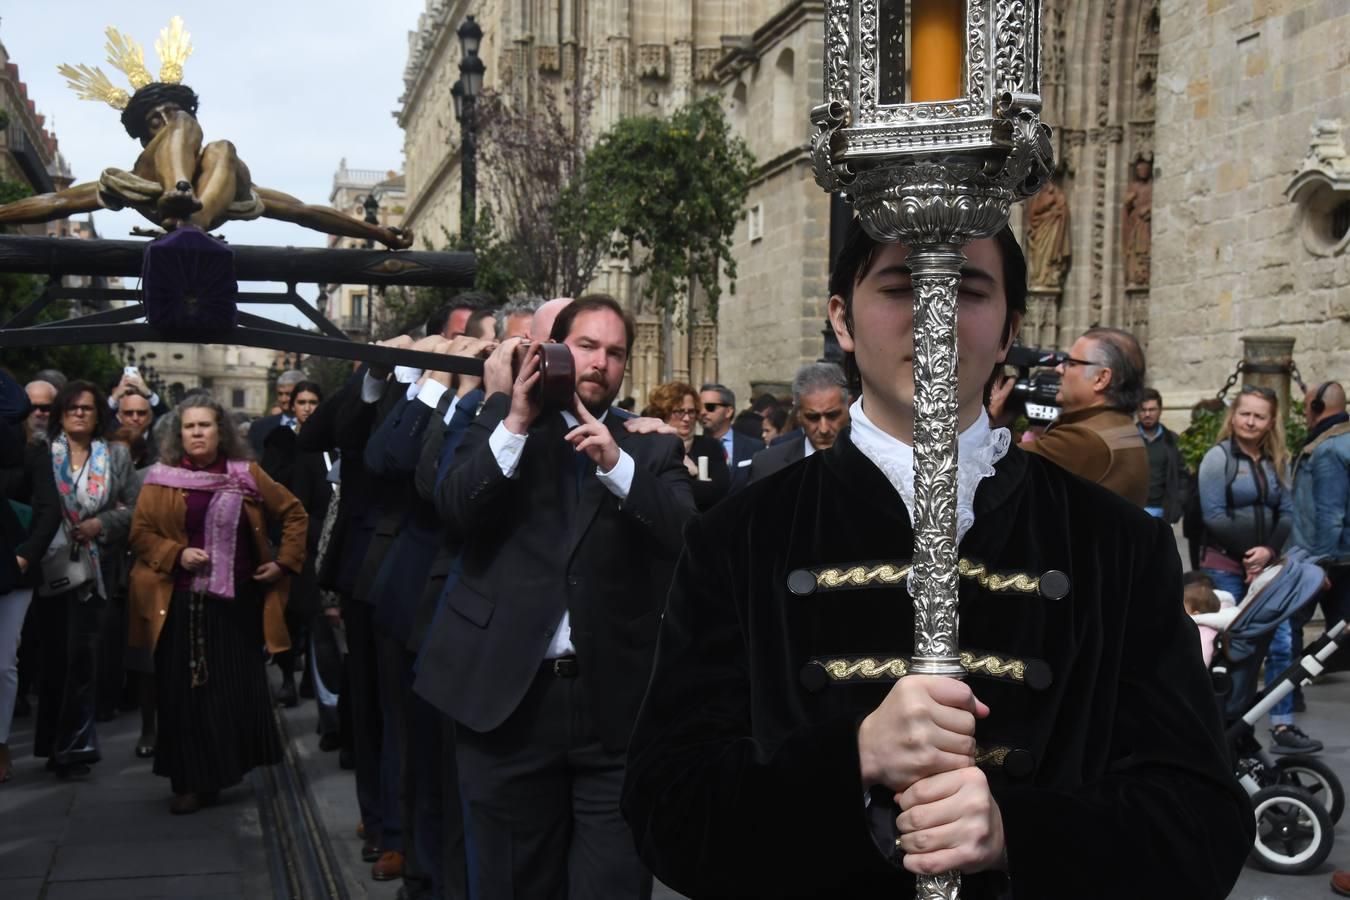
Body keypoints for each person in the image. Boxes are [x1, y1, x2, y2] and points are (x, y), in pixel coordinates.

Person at [621, 219, 1252, 898]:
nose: (934, 314)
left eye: (969, 290)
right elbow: (667, 809)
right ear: (842, 317)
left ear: (1009, 328)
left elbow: (1202, 825)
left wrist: (1019, 835)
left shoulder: (1117, 545)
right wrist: (852, 758)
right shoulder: (739, 537)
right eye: (900, 286)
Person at [434, 293, 697, 899]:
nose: (601, 362)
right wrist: (513, 418)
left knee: (613, 884)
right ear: (555, 349)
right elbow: (452, 508)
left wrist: (617, 466)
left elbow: (690, 544)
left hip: (616, 714)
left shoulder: (651, 448)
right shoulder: (504, 427)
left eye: (615, 352)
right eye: (586, 346)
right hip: (507, 706)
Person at [129, 395, 306, 814]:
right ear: (178, 434)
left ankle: (221, 771)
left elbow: (295, 513)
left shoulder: (247, 474)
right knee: (182, 695)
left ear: (220, 431)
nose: (197, 433)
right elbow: (139, 533)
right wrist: (177, 554)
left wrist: (283, 563)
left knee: (227, 693)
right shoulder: (161, 479)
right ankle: (190, 781)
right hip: (179, 603)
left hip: (236, 606)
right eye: (189, 427)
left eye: (205, 425)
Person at [1197, 385, 1313, 753]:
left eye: (1259, 416)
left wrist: (1268, 551)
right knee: (1229, 648)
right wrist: (1250, 554)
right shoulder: (1218, 458)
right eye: (1244, 413)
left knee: (1280, 645)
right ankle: (1226, 722)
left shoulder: (1274, 459)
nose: (1250, 421)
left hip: (1266, 566)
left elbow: (1288, 512)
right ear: (1233, 416)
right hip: (1225, 567)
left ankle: (1281, 724)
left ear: (1270, 422)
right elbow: (1212, 515)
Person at [36, 380, 141, 778]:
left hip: (95, 572)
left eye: (87, 408)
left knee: (82, 659)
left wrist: (101, 523)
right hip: (48, 567)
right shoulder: (43, 453)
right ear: (61, 413)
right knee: (52, 660)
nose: (79, 413)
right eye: (72, 407)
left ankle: (75, 748)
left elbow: (134, 508)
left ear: (99, 414)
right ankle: (50, 743)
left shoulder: (115, 456)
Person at [990, 327, 1149, 505]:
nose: (1058, 369)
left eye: (1071, 363)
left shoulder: (1085, 439)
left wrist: (989, 420)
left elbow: (992, 475)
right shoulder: (1117, 426)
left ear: (1101, 378)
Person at [0, 377, 62, 782]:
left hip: (13, 567)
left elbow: (48, 510)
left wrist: (25, 557)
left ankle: (0, 743)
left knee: (3, 662)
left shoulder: (33, 453)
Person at [747, 362, 850, 483]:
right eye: (812, 417)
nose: (824, 429)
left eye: (832, 415)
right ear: (798, 414)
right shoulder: (767, 465)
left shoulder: (872, 457)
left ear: (848, 408)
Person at [650, 381, 730, 511]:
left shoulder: (710, 445)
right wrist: (696, 478)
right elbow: (655, 491)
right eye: (679, 411)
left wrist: (685, 479)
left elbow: (720, 491)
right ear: (663, 413)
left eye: (691, 412)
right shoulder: (653, 448)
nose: (687, 418)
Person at [1136, 388, 1186, 521]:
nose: (1147, 414)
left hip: (1163, 513)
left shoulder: (1173, 440)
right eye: (1143, 410)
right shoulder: (1128, 440)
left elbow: (1182, 475)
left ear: (1160, 411)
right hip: (1134, 511)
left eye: (1152, 409)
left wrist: (1178, 504)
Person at [699, 383, 760, 491]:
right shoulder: (692, 447)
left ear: (728, 411)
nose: (703, 412)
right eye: (699, 407)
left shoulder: (754, 447)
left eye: (710, 407)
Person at [249, 369, 305, 458]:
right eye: (280, 394)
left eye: (288, 394)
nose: (283, 399)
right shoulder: (259, 427)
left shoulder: (315, 427)